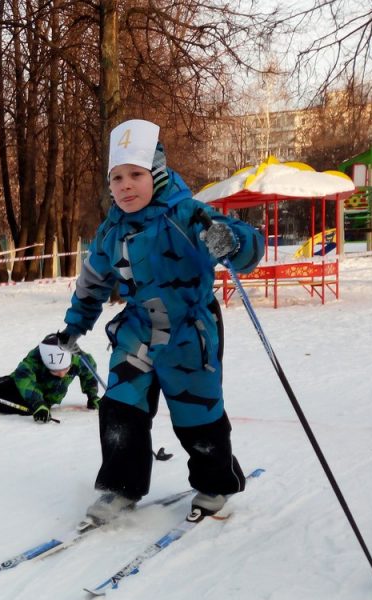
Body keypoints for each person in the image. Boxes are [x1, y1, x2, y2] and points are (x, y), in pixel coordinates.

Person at [57, 118, 263, 525]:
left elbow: (247, 244)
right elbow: (94, 280)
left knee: (197, 415)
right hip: (137, 327)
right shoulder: (111, 229)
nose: (125, 186)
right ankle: (119, 487)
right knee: (120, 406)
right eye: (116, 178)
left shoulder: (188, 214)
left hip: (190, 330)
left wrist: (233, 242)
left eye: (135, 175)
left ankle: (214, 483)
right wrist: (75, 324)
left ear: (157, 174)